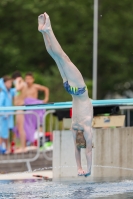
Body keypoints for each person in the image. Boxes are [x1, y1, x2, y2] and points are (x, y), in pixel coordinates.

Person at [38, 13, 93, 177]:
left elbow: (87, 151)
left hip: (79, 90)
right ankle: (44, 31)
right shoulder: (75, 127)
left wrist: (87, 169)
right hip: (71, 89)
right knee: (56, 57)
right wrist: (81, 169)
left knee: (62, 56)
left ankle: (48, 30)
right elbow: (80, 151)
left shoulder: (86, 126)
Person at [0, 76, 16, 153]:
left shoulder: (9, 92)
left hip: (8, 116)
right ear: (4, 83)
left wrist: (17, 82)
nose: (10, 84)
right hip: (3, 116)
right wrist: (4, 114)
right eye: (9, 82)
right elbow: (0, 105)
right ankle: (1, 148)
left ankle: (6, 148)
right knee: (2, 133)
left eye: (11, 83)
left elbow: (17, 90)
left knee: (6, 133)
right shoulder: (3, 93)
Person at [12, 71, 27, 153]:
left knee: (21, 128)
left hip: (21, 107)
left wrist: (18, 81)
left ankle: (23, 147)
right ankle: (20, 146)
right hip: (18, 107)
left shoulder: (21, 84)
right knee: (19, 127)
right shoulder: (21, 84)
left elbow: (17, 89)